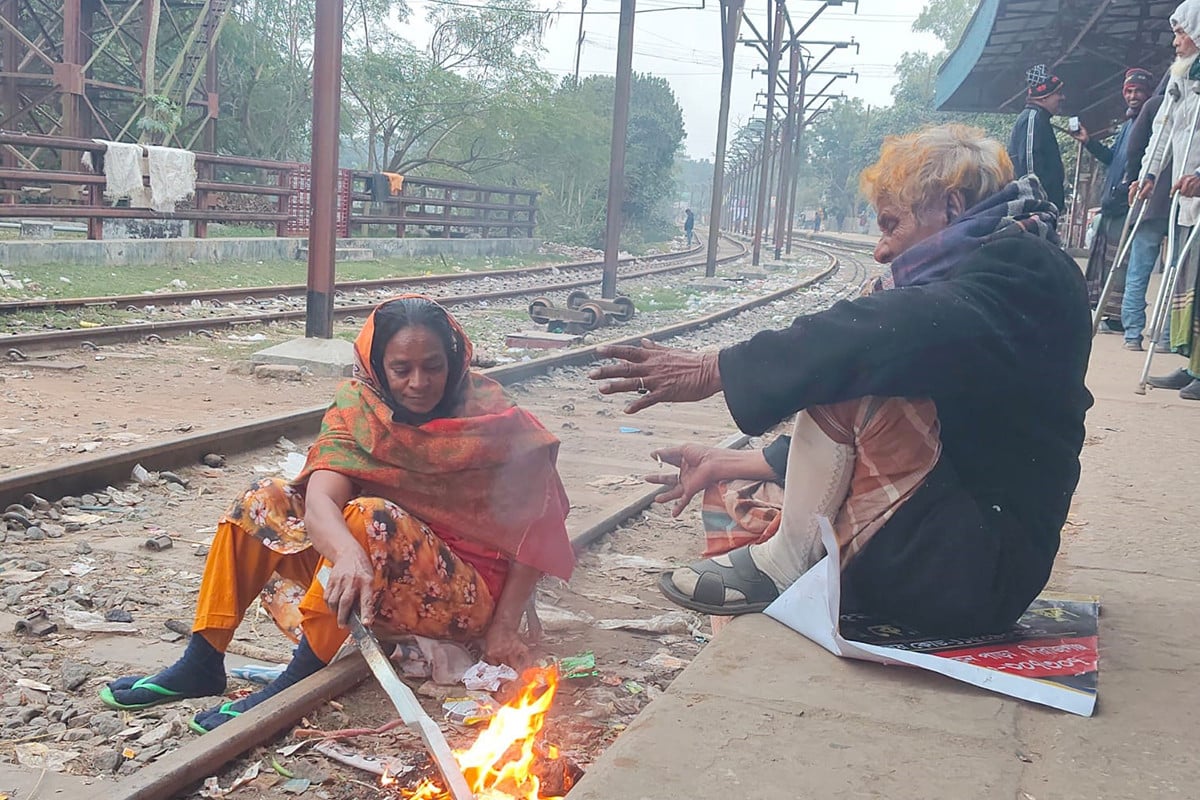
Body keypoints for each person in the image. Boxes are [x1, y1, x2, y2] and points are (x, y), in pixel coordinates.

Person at [590, 124, 1093, 638]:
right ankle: (792, 550)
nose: (880, 250)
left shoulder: (1024, 273)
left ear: (951, 207)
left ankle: (785, 566)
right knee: (751, 479)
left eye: (891, 225)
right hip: (961, 553)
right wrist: (733, 459)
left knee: (856, 356)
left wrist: (716, 367)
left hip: (967, 570)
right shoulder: (1012, 264)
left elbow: (885, 335)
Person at [98, 296, 574, 731]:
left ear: (455, 361)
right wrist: (346, 554)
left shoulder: (496, 422)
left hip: (466, 599)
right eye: (401, 368)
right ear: (375, 367)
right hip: (372, 581)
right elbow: (321, 497)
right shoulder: (359, 410)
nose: (418, 383)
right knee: (263, 498)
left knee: (370, 516)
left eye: (433, 367)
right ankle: (201, 661)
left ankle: (296, 679)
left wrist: (504, 627)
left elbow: (537, 533)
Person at [1134, 0, 1200, 399]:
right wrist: (1148, 175)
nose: (1175, 42)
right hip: (1185, 198)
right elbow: (1162, 132)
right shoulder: (1179, 77)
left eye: (1181, 32)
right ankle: (1193, 363)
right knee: (1188, 280)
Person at [1073, 68, 1154, 339]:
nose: (1133, 96)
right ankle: (1112, 314)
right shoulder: (1128, 124)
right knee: (1109, 262)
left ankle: (1123, 321)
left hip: (1127, 203)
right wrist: (1089, 142)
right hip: (1114, 202)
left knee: (1122, 262)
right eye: (1129, 91)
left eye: (1138, 91)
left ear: (1148, 94)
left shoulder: (1151, 123)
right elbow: (1112, 159)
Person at [1122, 76, 1175, 351]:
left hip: (1150, 198)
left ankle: (1132, 333)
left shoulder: (1154, 105)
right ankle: (1165, 336)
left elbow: (1134, 148)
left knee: (1139, 268)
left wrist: (1134, 179)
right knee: (1175, 271)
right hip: (1179, 200)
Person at [1008, 64, 1068, 212]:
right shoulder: (1032, 119)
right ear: (1044, 97)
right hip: (1035, 210)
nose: (1062, 97)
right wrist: (1036, 207)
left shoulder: (1040, 119)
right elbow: (1030, 167)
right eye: (1058, 93)